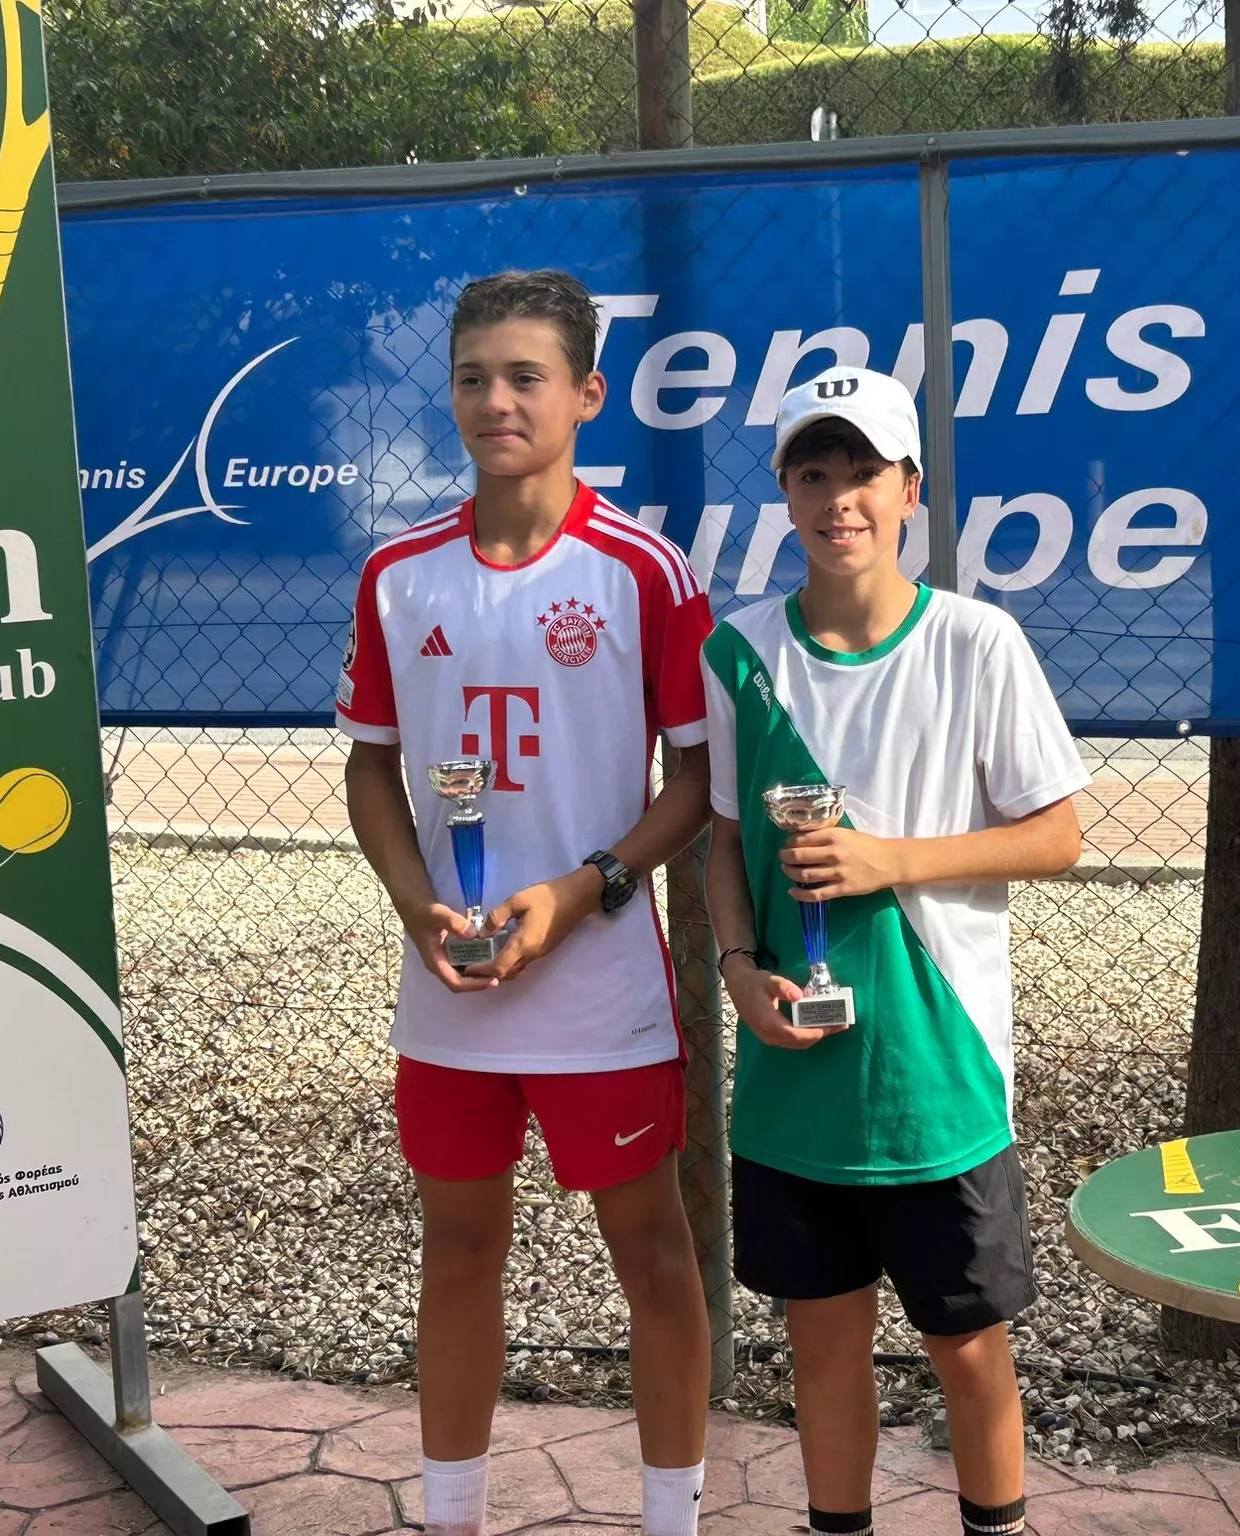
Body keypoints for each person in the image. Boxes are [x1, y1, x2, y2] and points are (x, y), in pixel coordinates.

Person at [336, 269, 713, 1536]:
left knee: (652, 1257)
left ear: (586, 396)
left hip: (598, 983)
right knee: (456, 1253)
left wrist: (586, 889)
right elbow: (371, 762)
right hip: (451, 988)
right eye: (471, 377)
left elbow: (697, 780)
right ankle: (451, 1517)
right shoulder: (397, 574)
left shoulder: (644, 571)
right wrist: (413, 904)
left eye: (524, 376)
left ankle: (672, 1518)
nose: (494, 400)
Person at [701, 366, 1088, 1536]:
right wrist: (734, 968)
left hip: (939, 1080)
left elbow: (1059, 834)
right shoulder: (739, 653)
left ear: (908, 487)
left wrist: (888, 861)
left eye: (862, 470)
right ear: (783, 493)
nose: (839, 499)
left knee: (967, 1353)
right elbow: (722, 839)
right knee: (821, 1351)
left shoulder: (977, 643)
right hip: (792, 1084)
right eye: (811, 474)